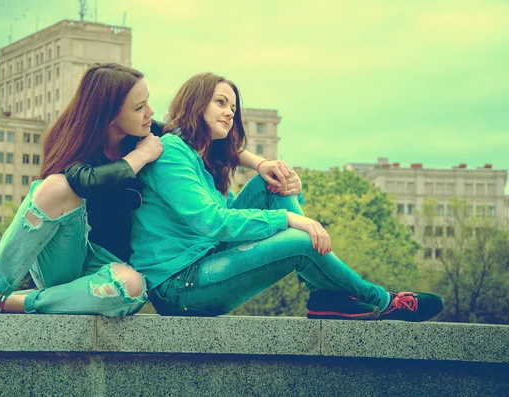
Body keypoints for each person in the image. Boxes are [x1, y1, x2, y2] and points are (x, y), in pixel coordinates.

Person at [129, 72, 444, 321]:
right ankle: (384, 302)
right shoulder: (171, 153)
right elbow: (214, 222)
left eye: (233, 109)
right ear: (196, 102)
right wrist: (291, 219)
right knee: (301, 241)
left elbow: (224, 220)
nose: (229, 114)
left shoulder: (202, 160)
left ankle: (325, 297)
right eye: (221, 103)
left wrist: (285, 183)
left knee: (273, 183)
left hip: (206, 260)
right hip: (179, 285)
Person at [0, 63, 163, 316]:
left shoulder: (153, 134)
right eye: (139, 108)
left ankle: (21, 302)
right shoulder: (72, 139)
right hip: (64, 256)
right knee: (56, 185)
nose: (150, 112)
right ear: (109, 115)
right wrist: (138, 157)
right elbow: (83, 182)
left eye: (147, 103)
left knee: (132, 287)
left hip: (110, 270)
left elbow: (193, 136)